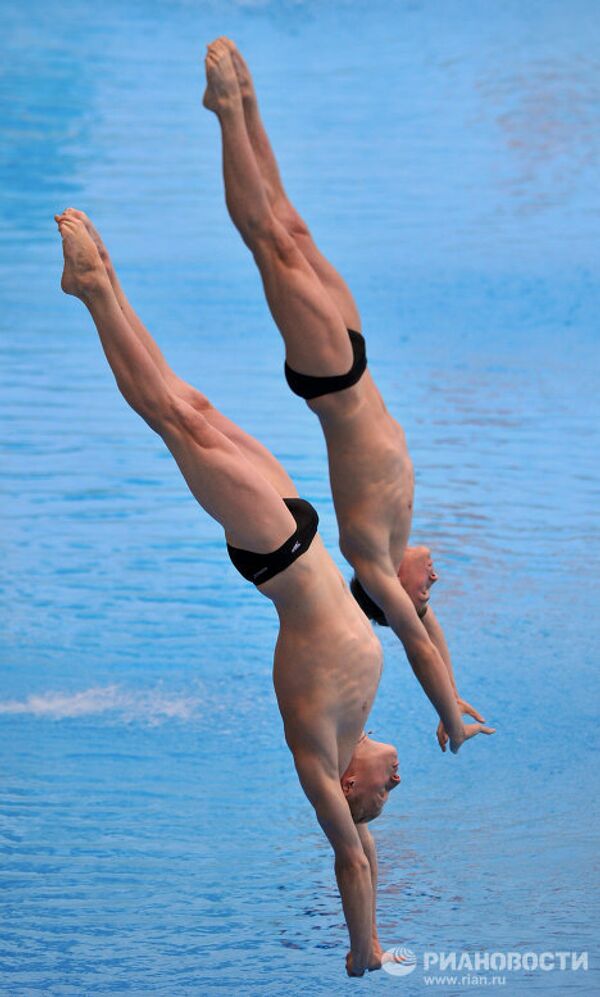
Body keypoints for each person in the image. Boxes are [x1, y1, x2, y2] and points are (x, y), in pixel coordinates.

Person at [55, 208, 411, 976]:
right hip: (299, 530)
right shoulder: (353, 723)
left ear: (351, 784)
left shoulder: (322, 759)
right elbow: (369, 850)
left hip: (278, 552)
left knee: (175, 419)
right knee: (198, 407)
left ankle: (92, 289)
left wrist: (363, 947)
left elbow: (351, 855)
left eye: (384, 794)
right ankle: (103, 279)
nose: (397, 782)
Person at [203, 38, 495, 752]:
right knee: (294, 226)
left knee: (268, 240)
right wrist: (454, 690)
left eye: (419, 598)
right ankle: (248, 103)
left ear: (393, 590)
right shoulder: (394, 548)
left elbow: (418, 641)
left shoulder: (370, 556)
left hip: (332, 379)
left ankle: (225, 114)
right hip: (355, 358)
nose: (432, 591)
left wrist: (446, 715)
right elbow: (431, 636)